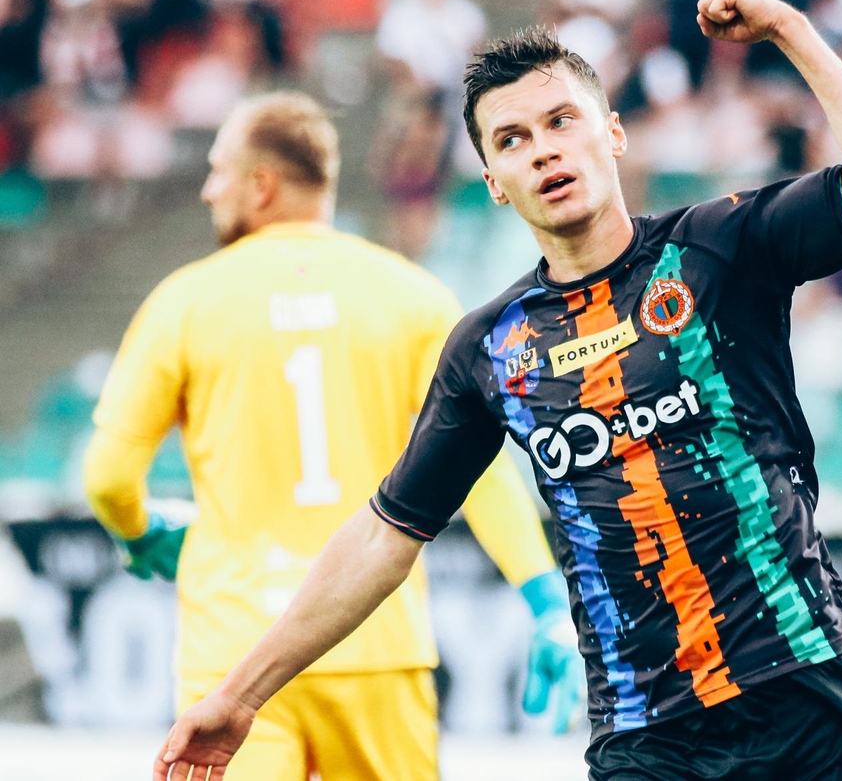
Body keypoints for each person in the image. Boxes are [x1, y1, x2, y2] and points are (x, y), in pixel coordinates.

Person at [155, 0, 842, 781]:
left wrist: (787, 29)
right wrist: (239, 695)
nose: (544, 148)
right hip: (647, 738)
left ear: (613, 133)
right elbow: (386, 535)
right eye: (512, 139)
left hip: (807, 694)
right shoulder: (490, 347)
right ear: (494, 180)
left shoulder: (716, 249)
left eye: (562, 120)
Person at [81, 91, 580, 780]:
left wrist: (138, 534)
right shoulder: (409, 294)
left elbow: (108, 476)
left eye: (219, 171)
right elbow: (480, 466)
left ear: (262, 184)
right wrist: (543, 596)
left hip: (236, 654)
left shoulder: (185, 302)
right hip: (375, 639)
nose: (207, 190)